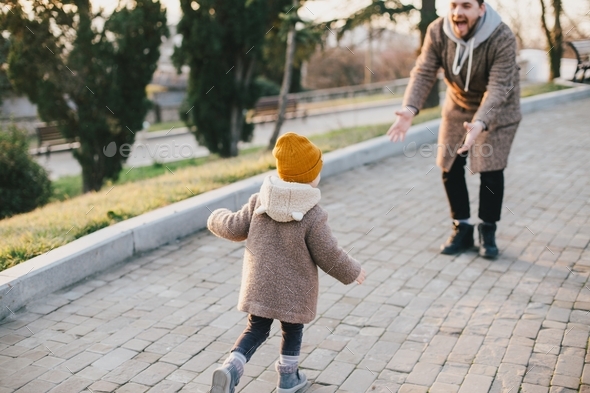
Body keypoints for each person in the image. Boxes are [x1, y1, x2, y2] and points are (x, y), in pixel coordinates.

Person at [207, 132, 366, 393]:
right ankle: (288, 379)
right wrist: (353, 271)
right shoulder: (313, 214)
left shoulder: (260, 201)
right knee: (292, 330)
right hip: (294, 291)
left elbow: (234, 226)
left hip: (260, 284)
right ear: (311, 176)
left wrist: (215, 217)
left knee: (256, 328)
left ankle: (231, 366)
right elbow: (329, 253)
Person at [387, 0, 521, 258]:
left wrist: (480, 122)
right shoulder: (437, 31)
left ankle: (487, 229)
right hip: (458, 104)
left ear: (481, 9)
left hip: (499, 108)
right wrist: (410, 108)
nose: (458, 12)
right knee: (449, 165)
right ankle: (462, 227)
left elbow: (498, 88)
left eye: (466, 5)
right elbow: (424, 71)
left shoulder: (501, 36)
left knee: (490, 168)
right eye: (454, 5)